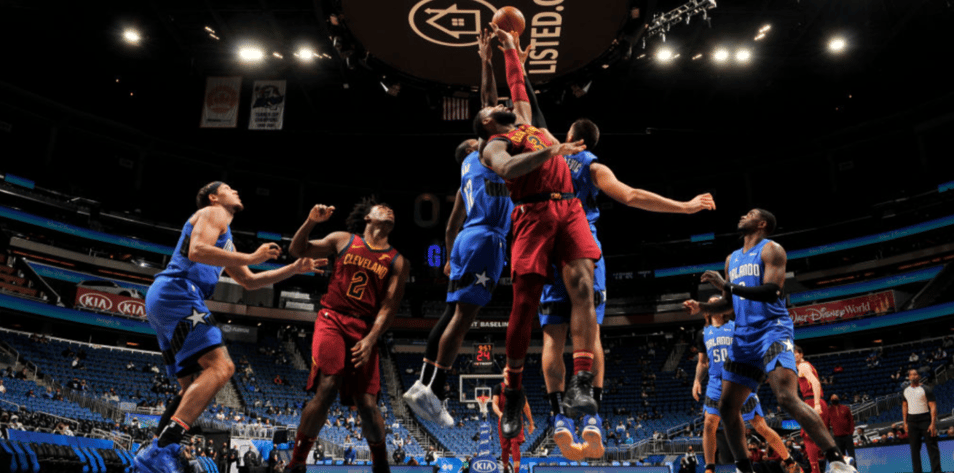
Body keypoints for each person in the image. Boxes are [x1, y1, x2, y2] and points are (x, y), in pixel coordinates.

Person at [541, 118, 715, 459]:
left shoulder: (547, 156)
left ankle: (560, 418)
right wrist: (685, 206)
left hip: (548, 248)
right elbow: (632, 196)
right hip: (583, 247)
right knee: (590, 333)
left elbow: (529, 115)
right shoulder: (592, 165)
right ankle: (591, 417)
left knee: (552, 337)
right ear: (589, 143)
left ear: (570, 137)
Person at [135, 182, 322, 473]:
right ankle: (162, 449)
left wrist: (294, 269)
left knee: (192, 389)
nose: (236, 191)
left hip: (168, 298)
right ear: (213, 196)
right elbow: (197, 250)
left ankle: (154, 452)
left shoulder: (226, 237)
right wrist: (252, 256)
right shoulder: (213, 212)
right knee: (222, 368)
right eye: (229, 188)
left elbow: (250, 281)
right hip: (179, 291)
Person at [474, 23, 598, 440]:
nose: (506, 105)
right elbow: (509, 169)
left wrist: (506, 50)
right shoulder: (493, 146)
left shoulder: (523, 119)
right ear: (487, 125)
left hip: (569, 207)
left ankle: (581, 380)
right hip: (532, 215)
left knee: (583, 285)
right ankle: (512, 390)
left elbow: (516, 82)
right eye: (494, 110)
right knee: (524, 306)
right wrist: (553, 149)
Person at [682, 209, 855, 473]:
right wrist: (703, 307)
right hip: (743, 336)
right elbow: (729, 303)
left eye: (750, 214)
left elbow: (771, 291)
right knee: (727, 408)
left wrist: (726, 286)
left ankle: (839, 461)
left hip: (771, 329)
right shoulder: (732, 259)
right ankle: (744, 469)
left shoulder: (772, 250)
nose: (742, 215)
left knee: (786, 397)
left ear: (762, 223)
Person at [404, 31, 512, 427]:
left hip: (468, 239)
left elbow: (451, 223)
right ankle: (435, 388)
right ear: (475, 144)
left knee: (452, 313)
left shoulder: (467, 175)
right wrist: (486, 62)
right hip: (486, 239)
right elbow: (488, 104)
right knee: (464, 319)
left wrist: (450, 257)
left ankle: (427, 384)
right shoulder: (484, 153)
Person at [284, 199, 409, 473]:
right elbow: (296, 249)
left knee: (366, 403)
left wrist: (371, 338)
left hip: (365, 329)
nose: (389, 209)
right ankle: (297, 463)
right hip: (332, 318)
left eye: (392, 209)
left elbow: (389, 306)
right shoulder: (343, 240)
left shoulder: (398, 261)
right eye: (382, 207)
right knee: (328, 386)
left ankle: (381, 465)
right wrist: (311, 223)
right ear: (367, 217)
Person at [688, 295, 802, 473]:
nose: (714, 305)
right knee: (709, 423)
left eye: (717, 302)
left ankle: (789, 461)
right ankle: (709, 468)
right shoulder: (702, 333)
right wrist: (696, 381)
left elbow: (751, 348)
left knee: (760, 426)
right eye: (710, 302)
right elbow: (702, 362)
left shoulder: (735, 326)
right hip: (715, 383)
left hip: (738, 379)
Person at [793, 346, 829, 473]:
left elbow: (816, 383)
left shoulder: (803, 366)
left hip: (813, 401)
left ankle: (816, 470)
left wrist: (817, 403)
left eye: (795, 353)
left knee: (807, 436)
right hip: (812, 401)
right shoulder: (803, 366)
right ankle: (840, 460)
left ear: (801, 354)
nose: (793, 356)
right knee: (818, 437)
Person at [903, 368, 941, 473]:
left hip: (925, 420)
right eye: (911, 375)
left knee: (932, 448)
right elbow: (904, 406)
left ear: (919, 377)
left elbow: (933, 406)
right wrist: (905, 422)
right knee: (914, 450)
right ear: (909, 377)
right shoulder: (906, 390)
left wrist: (933, 423)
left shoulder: (926, 389)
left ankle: (937, 471)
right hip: (912, 421)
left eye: (915, 374)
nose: (913, 376)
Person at [492, 380, 535, 473]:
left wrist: (531, 422)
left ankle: (516, 471)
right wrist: (500, 414)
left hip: (516, 419)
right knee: (505, 448)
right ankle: (506, 469)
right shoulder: (498, 387)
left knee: (515, 445)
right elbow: (494, 404)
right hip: (503, 420)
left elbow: (526, 406)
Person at [827, 394, 855, 460]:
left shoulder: (845, 408)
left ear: (838, 399)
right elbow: (827, 423)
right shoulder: (829, 410)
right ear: (831, 400)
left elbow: (851, 420)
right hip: (837, 437)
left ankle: (854, 469)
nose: (834, 399)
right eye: (833, 399)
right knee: (841, 456)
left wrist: (851, 432)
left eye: (836, 398)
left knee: (852, 455)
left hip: (847, 436)